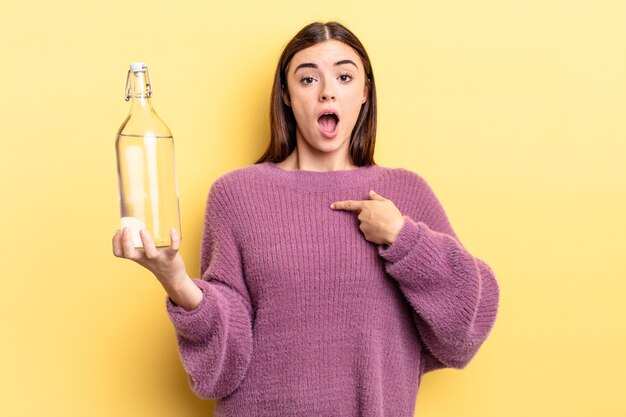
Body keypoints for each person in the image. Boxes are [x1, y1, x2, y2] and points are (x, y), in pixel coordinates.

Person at [112, 21, 499, 417]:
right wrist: (174, 279)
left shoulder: (404, 193)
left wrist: (403, 238)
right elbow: (222, 368)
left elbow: (465, 330)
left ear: (365, 92)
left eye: (344, 76)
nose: (327, 91)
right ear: (286, 94)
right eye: (308, 79)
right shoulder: (237, 196)